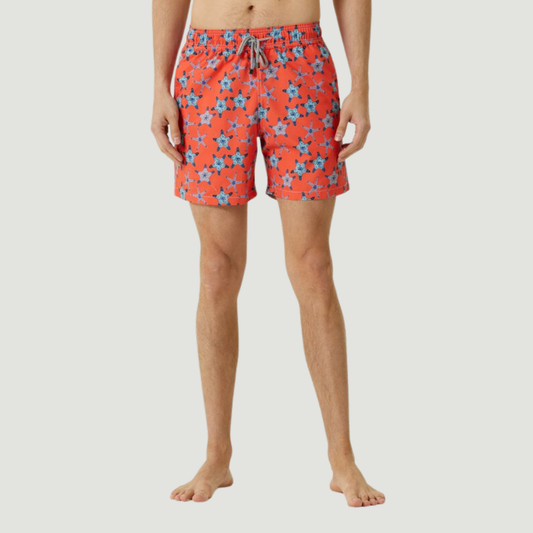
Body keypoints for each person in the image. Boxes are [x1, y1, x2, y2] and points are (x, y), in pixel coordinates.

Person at [151, 0, 385, 508]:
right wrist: (159, 82)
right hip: (210, 64)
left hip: (299, 61)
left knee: (314, 266)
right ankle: (217, 455)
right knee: (216, 268)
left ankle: (342, 458)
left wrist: (361, 83)